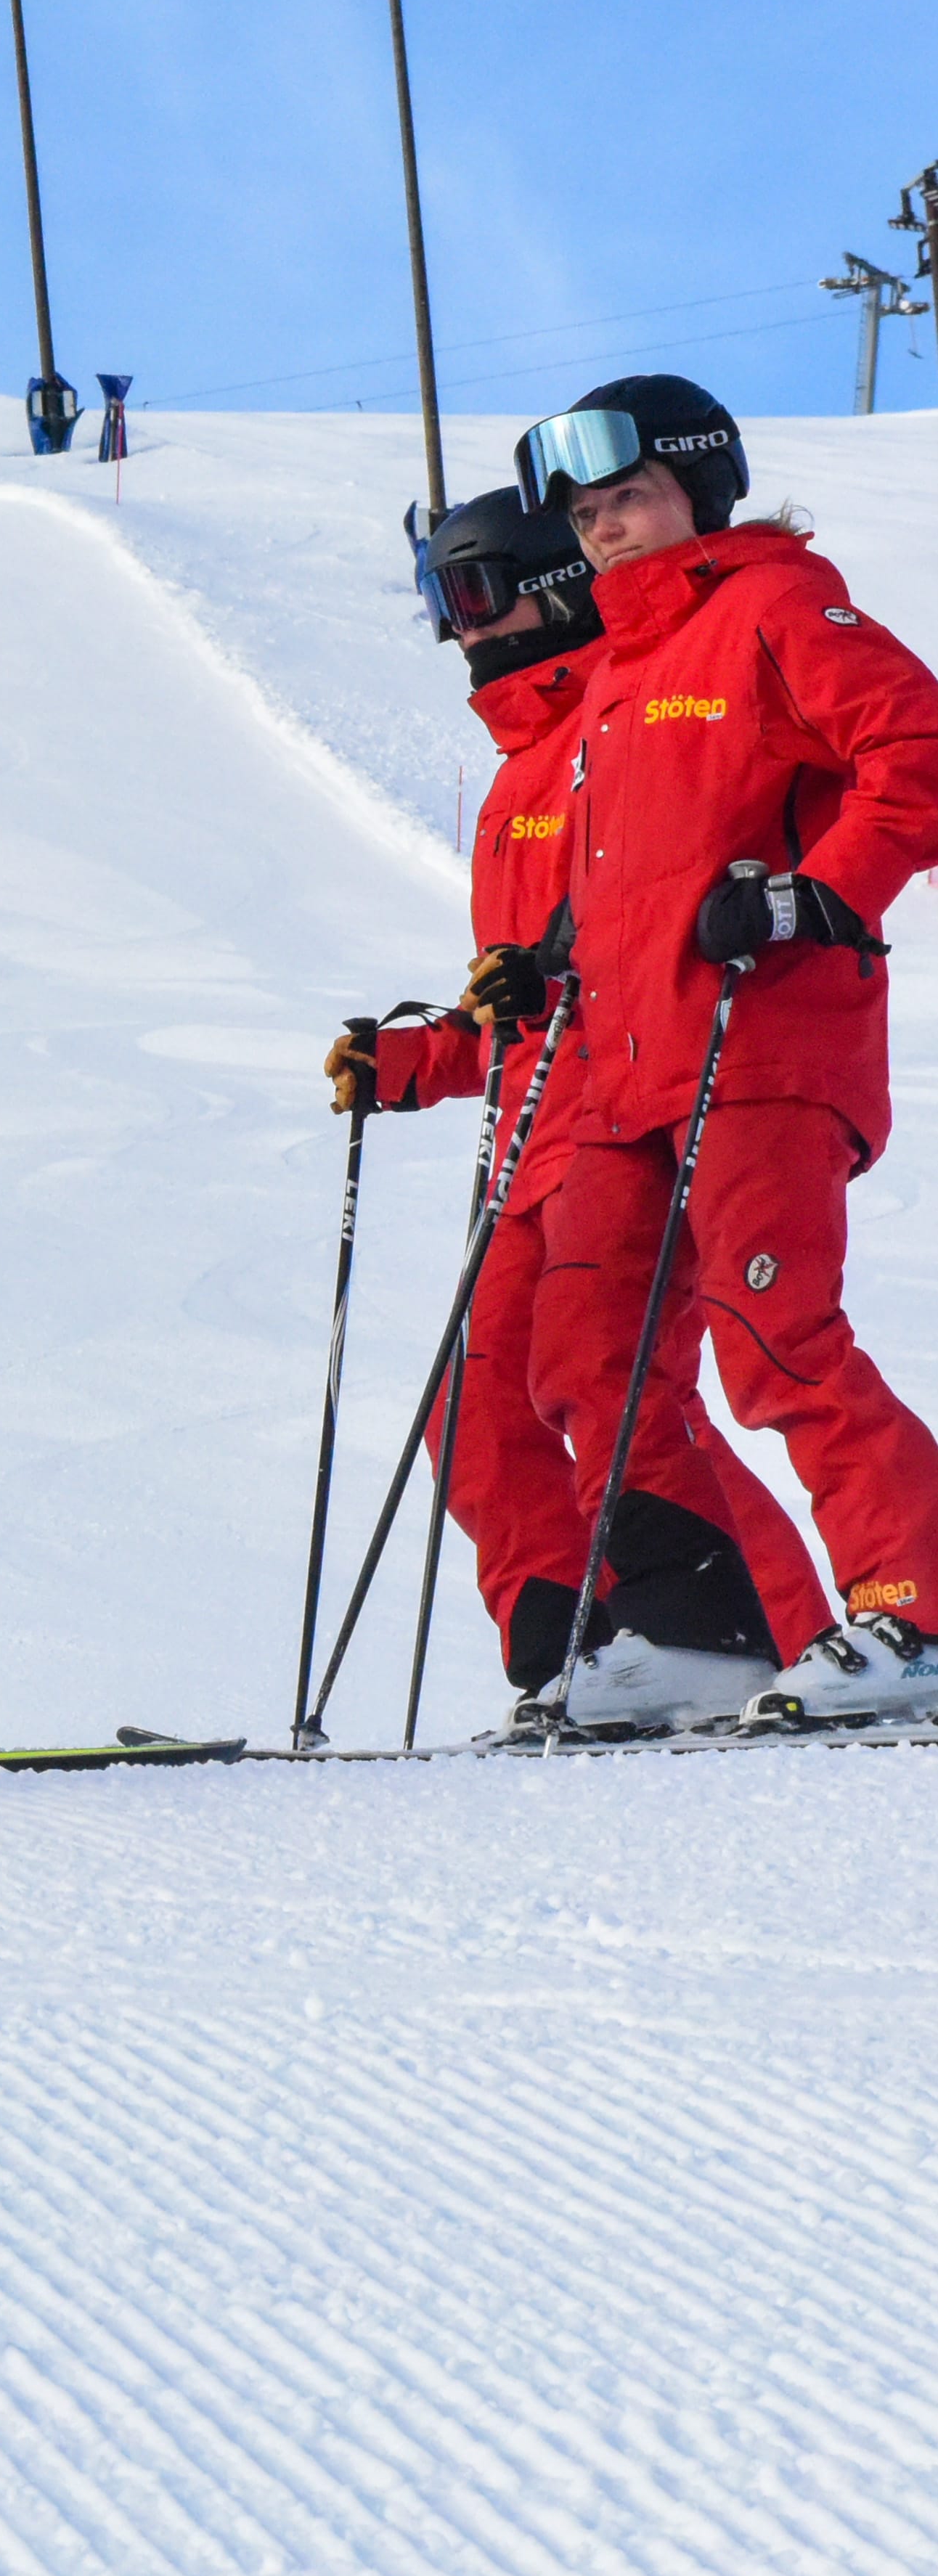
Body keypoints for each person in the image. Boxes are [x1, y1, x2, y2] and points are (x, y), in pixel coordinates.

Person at [328, 491, 827, 1717]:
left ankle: (757, 1632)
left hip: (618, 1111)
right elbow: (517, 1006)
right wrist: (415, 1061)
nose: (464, 632)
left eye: (480, 594)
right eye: (443, 605)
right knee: (476, 1402)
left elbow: (633, 933)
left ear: (554, 583)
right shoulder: (516, 785)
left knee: (603, 1378)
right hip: (528, 1138)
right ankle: (582, 1649)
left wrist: (558, 976)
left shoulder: (625, 721)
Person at [509, 375, 938, 1727]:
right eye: (584, 513)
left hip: (763, 1044)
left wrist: (821, 888)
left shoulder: (770, 606)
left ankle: (913, 1613)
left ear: (698, 486)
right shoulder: (620, 678)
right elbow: (635, 883)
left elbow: (917, 743)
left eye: (626, 497)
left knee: (773, 1331)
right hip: (629, 1076)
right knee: (587, 1359)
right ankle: (704, 1629)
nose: (604, 532)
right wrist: (549, 961)